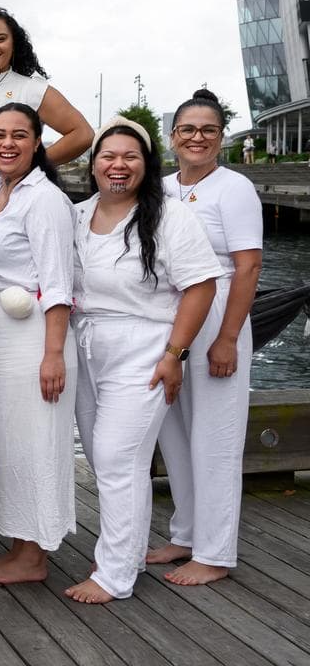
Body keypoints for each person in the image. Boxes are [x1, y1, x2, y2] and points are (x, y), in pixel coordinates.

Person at [65, 117, 221, 604]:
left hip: (145, 346)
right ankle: (122, 550)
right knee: (98, 453)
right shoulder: (76, 215)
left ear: (147, 166)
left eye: (130, 157)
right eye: (108, 156)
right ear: (92, 166)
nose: (118, 165)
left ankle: (114, 574)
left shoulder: (170, 217)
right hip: (86, 344)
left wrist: (174, 355)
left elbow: (201, 286)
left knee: (117, 457)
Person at [147, 89, 263, 586]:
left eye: (208, 130)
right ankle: (187, 532)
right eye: (188, 129)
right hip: (169, 310)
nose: (197, 137)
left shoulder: (233, 188)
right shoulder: (163, 187)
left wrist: (228, 337)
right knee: (172, 429)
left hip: (216, 309)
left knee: (215, 435)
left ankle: (215, 552)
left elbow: (248, 264)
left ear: (220, 138)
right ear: (173, 137)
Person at [0, 104, 78, 584]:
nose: (7, 144)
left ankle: (34, 556)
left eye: (19, 135)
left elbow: (58, 282)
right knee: (5, 440)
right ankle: (19, 543)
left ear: (37, 143)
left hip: (31, 334)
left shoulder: (45, 199)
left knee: (33, 441)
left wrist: (53, 353)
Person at [0, 8, 93, 219]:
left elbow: (83, 133)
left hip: (10, 195)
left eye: (0, 39)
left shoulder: (31, 88)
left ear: (14, 43)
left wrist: (30, 164)